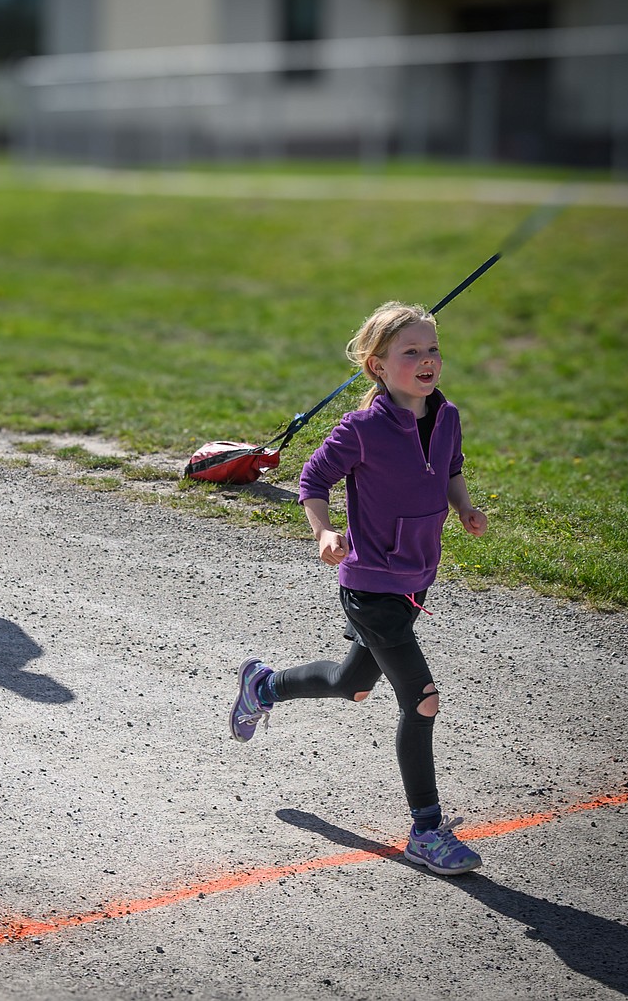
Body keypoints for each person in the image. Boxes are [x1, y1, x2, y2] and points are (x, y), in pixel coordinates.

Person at [228, 301, 489, 876]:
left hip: (415, 581)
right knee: (422, 700)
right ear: (377, 365)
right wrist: (324, 533)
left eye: (433, 349)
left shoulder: (446, 417)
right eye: (411, 352)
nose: (427, 361)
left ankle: (264, 686)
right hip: (370, 584)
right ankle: (426, 830)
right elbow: (313, 478)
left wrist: (464, 506)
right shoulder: (362, 428)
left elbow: (450, 468)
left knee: (353, 684)